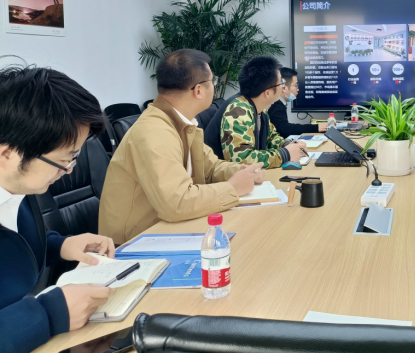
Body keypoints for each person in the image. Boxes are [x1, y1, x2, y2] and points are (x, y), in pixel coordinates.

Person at [0, 67, 116, 353]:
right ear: (7, 154)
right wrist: (48, 314)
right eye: (65, 160)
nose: (69, 171)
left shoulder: (19, 189)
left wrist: (60, 245)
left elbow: (12, 244)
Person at [99, 49, 263, 245]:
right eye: (213, 81)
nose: (214, 86)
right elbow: (176, 203)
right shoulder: (154, 131)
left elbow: (210, 168)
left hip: (166, 231)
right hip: (134, 244)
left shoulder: (181, 123)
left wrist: (242, 171)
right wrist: (232, 188)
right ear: (198, 90)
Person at [204, 56, 307, 168]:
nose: (283, 87)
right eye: (281, 83)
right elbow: (241, 160)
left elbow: (271, 137)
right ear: (267, 93)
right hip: (219, 177)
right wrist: (285, 154)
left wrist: (288, 145)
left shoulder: (260, 108)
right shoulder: (238, 110)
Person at [268, 67, 327, 138]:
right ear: (284, 87)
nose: (298, 89)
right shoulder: (275, 105)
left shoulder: (279, 103)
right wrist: (316, 128)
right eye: (296, 85)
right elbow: (284, 129)